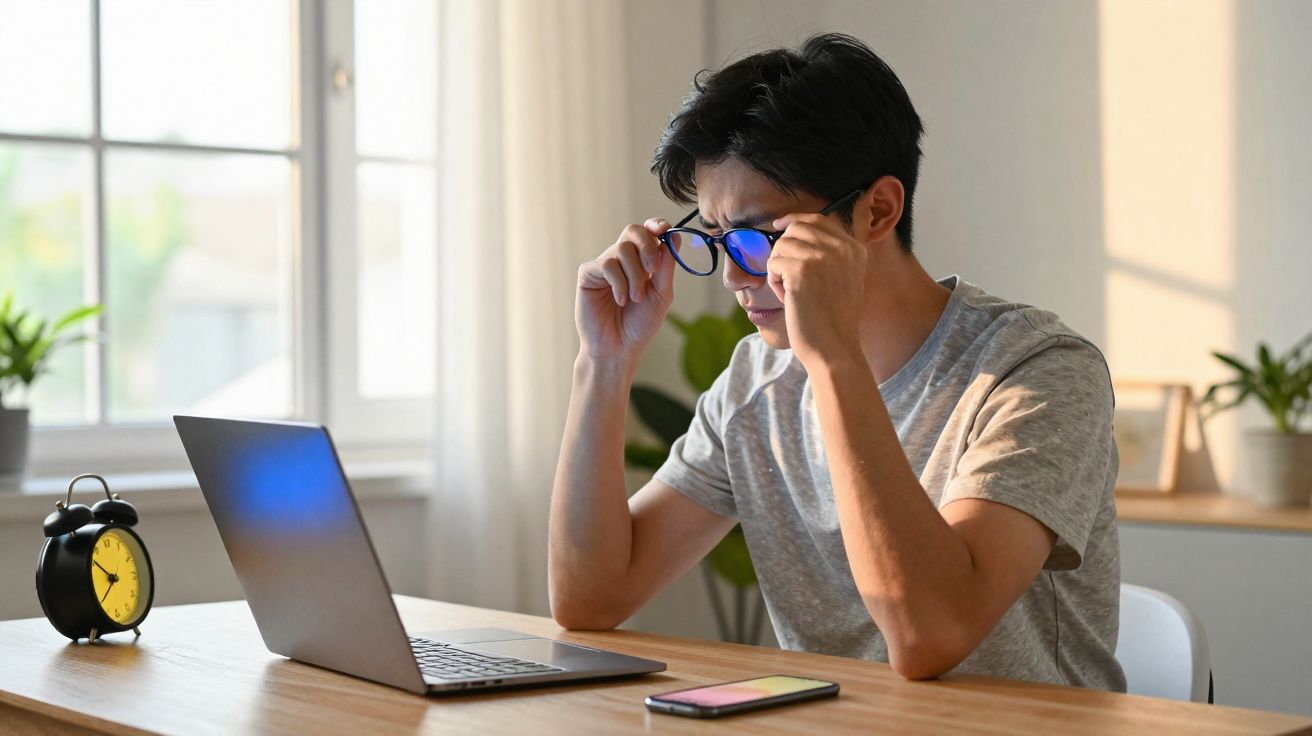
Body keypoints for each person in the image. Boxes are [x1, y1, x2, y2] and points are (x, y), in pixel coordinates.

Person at [548, 32, 1125, 691]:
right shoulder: (755, 383)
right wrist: (603, 362)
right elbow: (589, 600)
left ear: (877, 209)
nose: (735, 276)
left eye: (760, 238)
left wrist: (833, 361)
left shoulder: (1040, 372)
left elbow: (928, 634)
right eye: (714, 239)